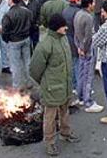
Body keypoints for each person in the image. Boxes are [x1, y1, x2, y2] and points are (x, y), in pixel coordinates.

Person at [30, 14, 80, 156]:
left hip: (65, 86)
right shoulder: (45, 45)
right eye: (64, 26)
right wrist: (45, 83)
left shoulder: (63, 38)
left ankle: (65, 133)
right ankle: (50, 143)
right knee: (50, 117)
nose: (66, 27)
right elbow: (34, 70)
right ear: (57, 27)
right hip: (52, 88)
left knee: (65, 111)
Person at [73, 0, 104, 113]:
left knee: (81, 74)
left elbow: (76, 34)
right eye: (94, 2)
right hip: (88, 50)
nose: (95, 4)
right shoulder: (88, 17)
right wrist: (85, 49)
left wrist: (79, 47)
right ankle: (88, 101)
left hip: (80, 48)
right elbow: (88, 37)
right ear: (90, 3)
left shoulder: (78, 14)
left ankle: (80, 97)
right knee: (88, 76)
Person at [2, 0, 33, 89]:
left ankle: (17, 85)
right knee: (27, 62)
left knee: (15, 65)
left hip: (14, 41)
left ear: (11, 0)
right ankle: (29, 82)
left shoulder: (8, 15)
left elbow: (5, 30)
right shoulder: (27, 11)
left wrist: (7, 40)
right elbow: (31, 24)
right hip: (26, 39)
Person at [62, 0, 81, 92]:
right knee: (78, 64)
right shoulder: (78, 12)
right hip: (75, 39)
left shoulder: (65, 10)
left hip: (67, 39)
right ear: (77, 0)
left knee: (71, 63)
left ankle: (73, 85)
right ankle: (78, 86)